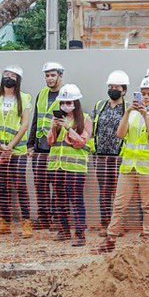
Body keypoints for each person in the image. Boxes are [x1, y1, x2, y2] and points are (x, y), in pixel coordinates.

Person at [101, 75, 149, 250]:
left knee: (148, 205)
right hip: (129, 167)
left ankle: (147, 238)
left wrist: (146, 116)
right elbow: (120, 134)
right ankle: (110, 240)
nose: (145, 97)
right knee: (119, 204)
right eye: (143, 94)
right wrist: (127, 112)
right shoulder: (132, 115)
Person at [0, 65, 33, 237]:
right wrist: (0, 145)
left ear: (18, 79)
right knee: (1, 186)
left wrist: (11, 146)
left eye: (13, 75)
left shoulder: (24, 97)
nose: (9, 77)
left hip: (17, 151)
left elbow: (25, 124)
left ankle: (26, 223)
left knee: (21, 186)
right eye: (6, 74)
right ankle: (4, 222)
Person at [47, 83, 91, 246]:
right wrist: (54, 128)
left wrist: (68, 128)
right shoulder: (56, 119)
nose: (66, 106)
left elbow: (82, 142)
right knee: (60, 200)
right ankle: (64, 230)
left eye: (69, 103)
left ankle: (80, 233)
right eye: (63, 103)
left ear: (76, 103)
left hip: (75, 168)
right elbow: (50, 142)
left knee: (76, 199)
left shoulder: (85, 119)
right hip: (57, 167)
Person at [31, 62, 66, 235]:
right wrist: (31, 144)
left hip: (57, 148)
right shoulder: (42, 94)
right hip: (40, 148)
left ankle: (58, 219)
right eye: (47, 75)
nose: (49, 78)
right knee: (41, 185)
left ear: (60, 76)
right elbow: (36, 119)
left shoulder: (67, 95)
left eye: (53, 75)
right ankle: (43, 218)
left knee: (57, 185)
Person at [92, 71, 128, 231]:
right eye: (111, 86)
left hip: (119, 156)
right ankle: (104, 223)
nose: (114, 89)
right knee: (104, 191)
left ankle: (117, 225)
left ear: (124, 90)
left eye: (117, 87)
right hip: (101, 155)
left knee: (119, 193)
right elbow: (93, 126)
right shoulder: (100, 105)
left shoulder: (128, 108)